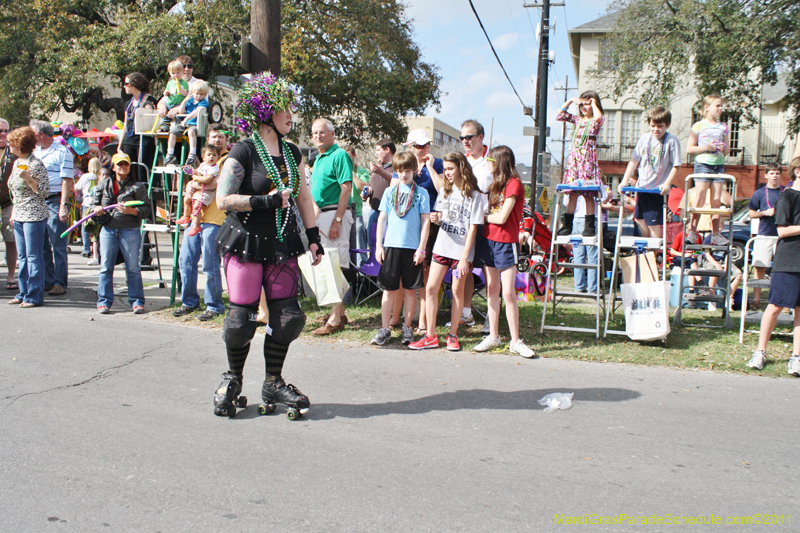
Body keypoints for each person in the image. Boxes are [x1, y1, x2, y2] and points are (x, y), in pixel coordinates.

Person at [212, 72, 323, 418]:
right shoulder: (243, 151)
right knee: (241, 321)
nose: (291, 114)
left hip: (281, 243)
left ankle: (273, 382)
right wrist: (267, 202)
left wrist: (314, 237)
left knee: (288, 317)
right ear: (264, 114)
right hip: (246, 242)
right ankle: (232, 378)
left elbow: (303, 197)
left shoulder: (293, 154)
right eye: (283, 108)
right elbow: (223, 199)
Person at [408, 152, 483, 351]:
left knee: (457, 291)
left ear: (461, 168)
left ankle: (453, 335)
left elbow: (473, 228)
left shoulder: (474, 195)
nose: (447, 173)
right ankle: (431, 335)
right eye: (446, 169)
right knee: (431, 288)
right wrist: (437, 219)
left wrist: (466, 257)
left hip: (461, 252)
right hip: (441, 248)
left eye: (450, 169)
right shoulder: (444, 191)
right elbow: (443, 217)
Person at [473, 146, 536, 358]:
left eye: (491, 159)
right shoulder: (494, 184)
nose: (488, 163)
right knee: (491, 289)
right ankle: (493, 335)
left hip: (506, 242)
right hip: (488, 240)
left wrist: (481, 218)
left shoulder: (514, 184)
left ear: (500, 161)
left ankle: (515, 341)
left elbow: (501, 218)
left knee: (508, 293)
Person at [371, 151, 431, 347]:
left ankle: (407, 327)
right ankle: (385, 328)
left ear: (414, 170)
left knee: (409, 290)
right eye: (399, 171)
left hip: (411, 247)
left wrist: (421, 248)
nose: (403, 175)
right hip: (391, 246)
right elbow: (382, 218)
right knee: (389, 289)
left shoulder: (421, 193)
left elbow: (425, 222)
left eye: (407, 170)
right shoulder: (390, 192)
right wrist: (379, 245)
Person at [747, 159, 800, 377]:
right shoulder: (787, 196)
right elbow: (782, 231)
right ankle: (760, 351)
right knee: (775, 306)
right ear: (798, 171)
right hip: (788, 259)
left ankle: (796, 357)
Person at [309, 118, 353, 336]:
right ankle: (340, 313)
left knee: (334, 265)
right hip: (322, 215)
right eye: (315, 132)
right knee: (327, 265)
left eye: (322, 132)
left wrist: (337, 220)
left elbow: (346, 189)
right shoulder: (317, 159)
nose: (318, 136)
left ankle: (335, 319)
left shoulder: (339, 155)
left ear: (332, 134)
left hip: (335, 213)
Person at [92, 152, 150, 314]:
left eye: (126, 164)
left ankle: (137, 301)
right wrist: (96, 210)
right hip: (108, 230)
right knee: (105, 267)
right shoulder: (103, 185)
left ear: (129, 166)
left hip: (129, 230)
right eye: (119, 164)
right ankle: (103, 301)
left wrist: (132, 211)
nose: (123, 167)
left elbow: (146, 210)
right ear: (114, 167)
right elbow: (93, 205)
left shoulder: (137, 186)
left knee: (132, 267)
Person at [402, 129, 444, 335]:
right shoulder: (404, 166)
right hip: (408, 225)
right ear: (410, 147)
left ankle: (424, 322)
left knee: (426, 272)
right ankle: (407, 318)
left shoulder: (437, 164)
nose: (425, 148)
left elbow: (444, 189)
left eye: (427, 144)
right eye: (419, 146)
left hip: (431, 224)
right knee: (409, 272)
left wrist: (429, 167)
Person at [618, 107, 681, 239]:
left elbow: (676, 165)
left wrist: (667, 183)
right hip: (642, 188)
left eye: (660, 126)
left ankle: (653, 251)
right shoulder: (644, 138)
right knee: (640, 220)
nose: (655, 129)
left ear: (667, 125)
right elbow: (634, 161)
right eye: (653, 125)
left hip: (656, 190)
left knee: (653, 223)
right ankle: (647, 248)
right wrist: (624, 180)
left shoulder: (671, 140)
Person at [455, 119, 492, 332]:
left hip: (487, 223)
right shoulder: (462, 161)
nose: (465, 141)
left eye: (469, 137)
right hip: (465, 225)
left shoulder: (492, 161)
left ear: (480, 137)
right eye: (462, 138)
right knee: (465, 268)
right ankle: (466, 314)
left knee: (489, 272)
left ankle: (490, 315)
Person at [30, 120, 73, 296]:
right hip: (38, 200)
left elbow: (67, 180)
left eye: (32, 133)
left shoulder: (63, 152)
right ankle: (48, 280)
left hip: (55, 200)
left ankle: (60, 282)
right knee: (42, 244)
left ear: (41, 134)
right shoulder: (35, 153)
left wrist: (63, 205)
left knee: (58, 243)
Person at [6, 127, 49, 307]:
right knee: (22, 257)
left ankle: (34, 295)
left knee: (33, 256)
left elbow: (44, 192)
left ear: (19, 144)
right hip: (19, 214)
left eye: (11, 143)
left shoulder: (36, 164)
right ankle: (23, 292)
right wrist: (13, 213)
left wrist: (30, 179)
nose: (8, 145)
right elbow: (14, 192)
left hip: (34, 216)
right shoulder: (16, 163)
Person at [556, 91, 605, 237]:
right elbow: (560, 115)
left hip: (588, 160)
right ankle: (567, 225)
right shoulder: (578, 120)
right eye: (582, 104)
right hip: (575, 161)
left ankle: (589, 226)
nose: (584, 107)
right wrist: (571, 100)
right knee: (572, 194)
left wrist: (594, 103)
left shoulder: (595, 119)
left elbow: (598, 118)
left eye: (587, 104)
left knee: (588, 194)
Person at [686, 95, 730, 245]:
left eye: (721, 106)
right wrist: (706, 147)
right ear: (706, 107)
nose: (720, 109)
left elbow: (728, 149)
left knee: (716, 200)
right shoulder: (699, 125)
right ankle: (692, 232)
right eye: (717, 105)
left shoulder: (723, 126)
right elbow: (689, 148)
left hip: (718, 164)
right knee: (700, 198)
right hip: (703, 164)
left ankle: (716, 233)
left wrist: (724, 148)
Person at [747, 163, 783, 308]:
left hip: (782, 235)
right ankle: (756, 299)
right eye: (772, 173)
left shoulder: (786, 192)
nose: (775, 175)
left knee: (782, 269)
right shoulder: (759, 193)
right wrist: (765, 212)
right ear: (766, 175)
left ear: (781, 175)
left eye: (777, 173)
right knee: (760, 266)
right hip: (764, 233)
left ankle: (782, 300)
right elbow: (751, 213)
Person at [117, 72, 158, 182]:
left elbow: (151, 121)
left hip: (143, 141)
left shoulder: (149, 100)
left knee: (142, 171)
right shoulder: (129, 103)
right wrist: (119, 145)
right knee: (130, 172)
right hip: (129, 141)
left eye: (126, 83)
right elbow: (125, 125)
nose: (124, 86)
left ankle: (145, 195)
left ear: (133, 84)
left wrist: (147, 108)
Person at [177, 144, 220, 237]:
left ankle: (196, 226)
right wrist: (190, 171)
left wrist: (194, 177)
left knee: (196, 207)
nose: (211, 157)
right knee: (186, 199)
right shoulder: (203, 165)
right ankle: (185, 216)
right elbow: (197, 172)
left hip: (207, 192)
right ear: (203, 157)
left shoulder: (215, 168)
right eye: (209, 155)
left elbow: (206, 180)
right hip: (199, 189)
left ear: (218, 157)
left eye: (214, 155)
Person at [164, 80, 210, 167]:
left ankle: (192, 153)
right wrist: (185, 101)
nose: (199, 96)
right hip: (185, 123)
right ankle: (170, 153)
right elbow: (181, 111)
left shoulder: (203, 102)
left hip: (195, 124)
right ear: (192, 93)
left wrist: (186, 119)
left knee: (191, 132)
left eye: (202, 94)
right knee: (173, 132)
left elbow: (196, 112)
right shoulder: (190, 101)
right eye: (197, 93)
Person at [343, 145, 370, 267]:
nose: (346, 161)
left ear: (354, 156)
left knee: (359, 246)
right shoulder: (339, 170)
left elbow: (364, 187)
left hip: (357, 213)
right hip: (342, 213)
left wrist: (352, 174)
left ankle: (362, 272)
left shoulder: (362, 172)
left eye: (348, 157)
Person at [0, 118, 18, 290]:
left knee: (11, 240)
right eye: (0, 131)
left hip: (8, 203)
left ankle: (11, 276)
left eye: (6, 130)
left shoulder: (13, 152)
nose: (4, 134)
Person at [75, 157, 102, 262]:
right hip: (98, 203)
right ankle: (98, 249)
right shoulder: (101, 175)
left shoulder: (86, 176)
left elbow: (77, 187)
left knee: (85, 225)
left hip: (87, 203)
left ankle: (86, 249)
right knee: (98, 226)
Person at [156, 60, 190, 133]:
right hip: (170, 102)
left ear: (182, 72)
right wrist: (166, 93)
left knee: (179, 115)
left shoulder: (184, 83)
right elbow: (167, 92)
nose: (176, 75)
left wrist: (179, 87)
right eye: (173, 73)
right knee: (166, 114)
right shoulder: (170, 83)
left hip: (179, 103)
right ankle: (164, 126)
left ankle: (179, 125)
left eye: (178, 73)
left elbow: (185, 93)